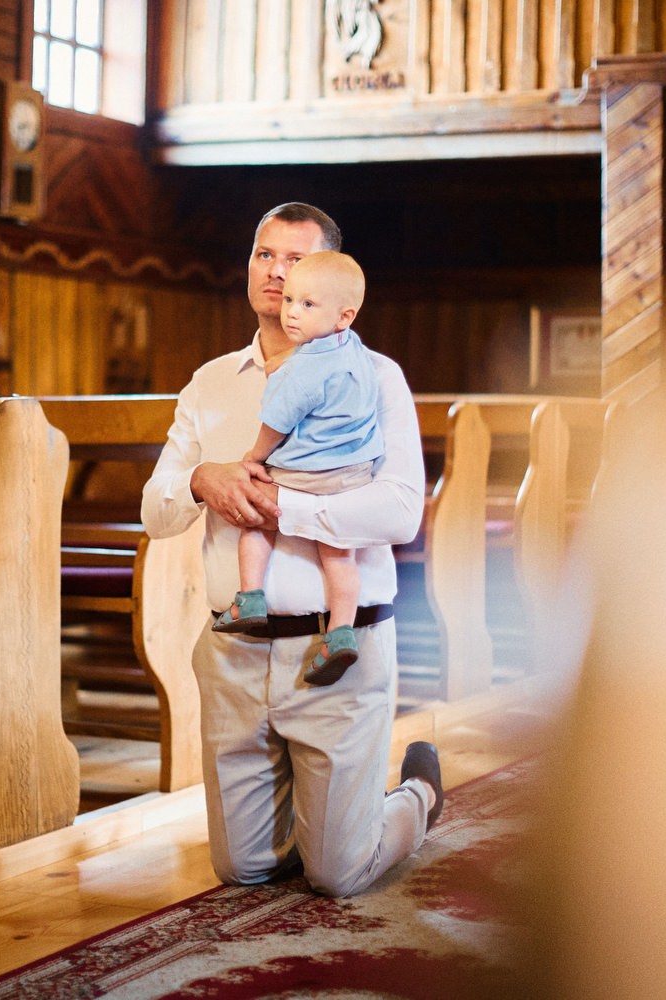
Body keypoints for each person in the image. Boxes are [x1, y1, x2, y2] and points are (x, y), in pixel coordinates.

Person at [142, 202, 444, 898]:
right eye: (264, 254)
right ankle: (321, 820)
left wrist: (289, 507)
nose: (277, 273)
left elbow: (402, 512)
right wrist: (201, 478)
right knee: (242, 868)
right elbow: (155, 511)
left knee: (339, 872)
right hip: (236, 655)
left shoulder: (377, 376)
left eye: (297, 260)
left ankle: (418, 795)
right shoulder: (211, 383)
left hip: (335, 654)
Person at [213, 250, 382, 688]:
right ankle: (340, 632)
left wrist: (254, 457)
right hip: (354, 471)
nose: (291, 312)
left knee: (256, 516)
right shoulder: (354, 349)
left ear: (343, 316)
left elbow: (276, 424)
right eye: (289, 300)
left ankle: (250, 597)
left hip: (308, 474)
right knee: (339, 556)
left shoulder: (302, 369)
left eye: (307, 305)